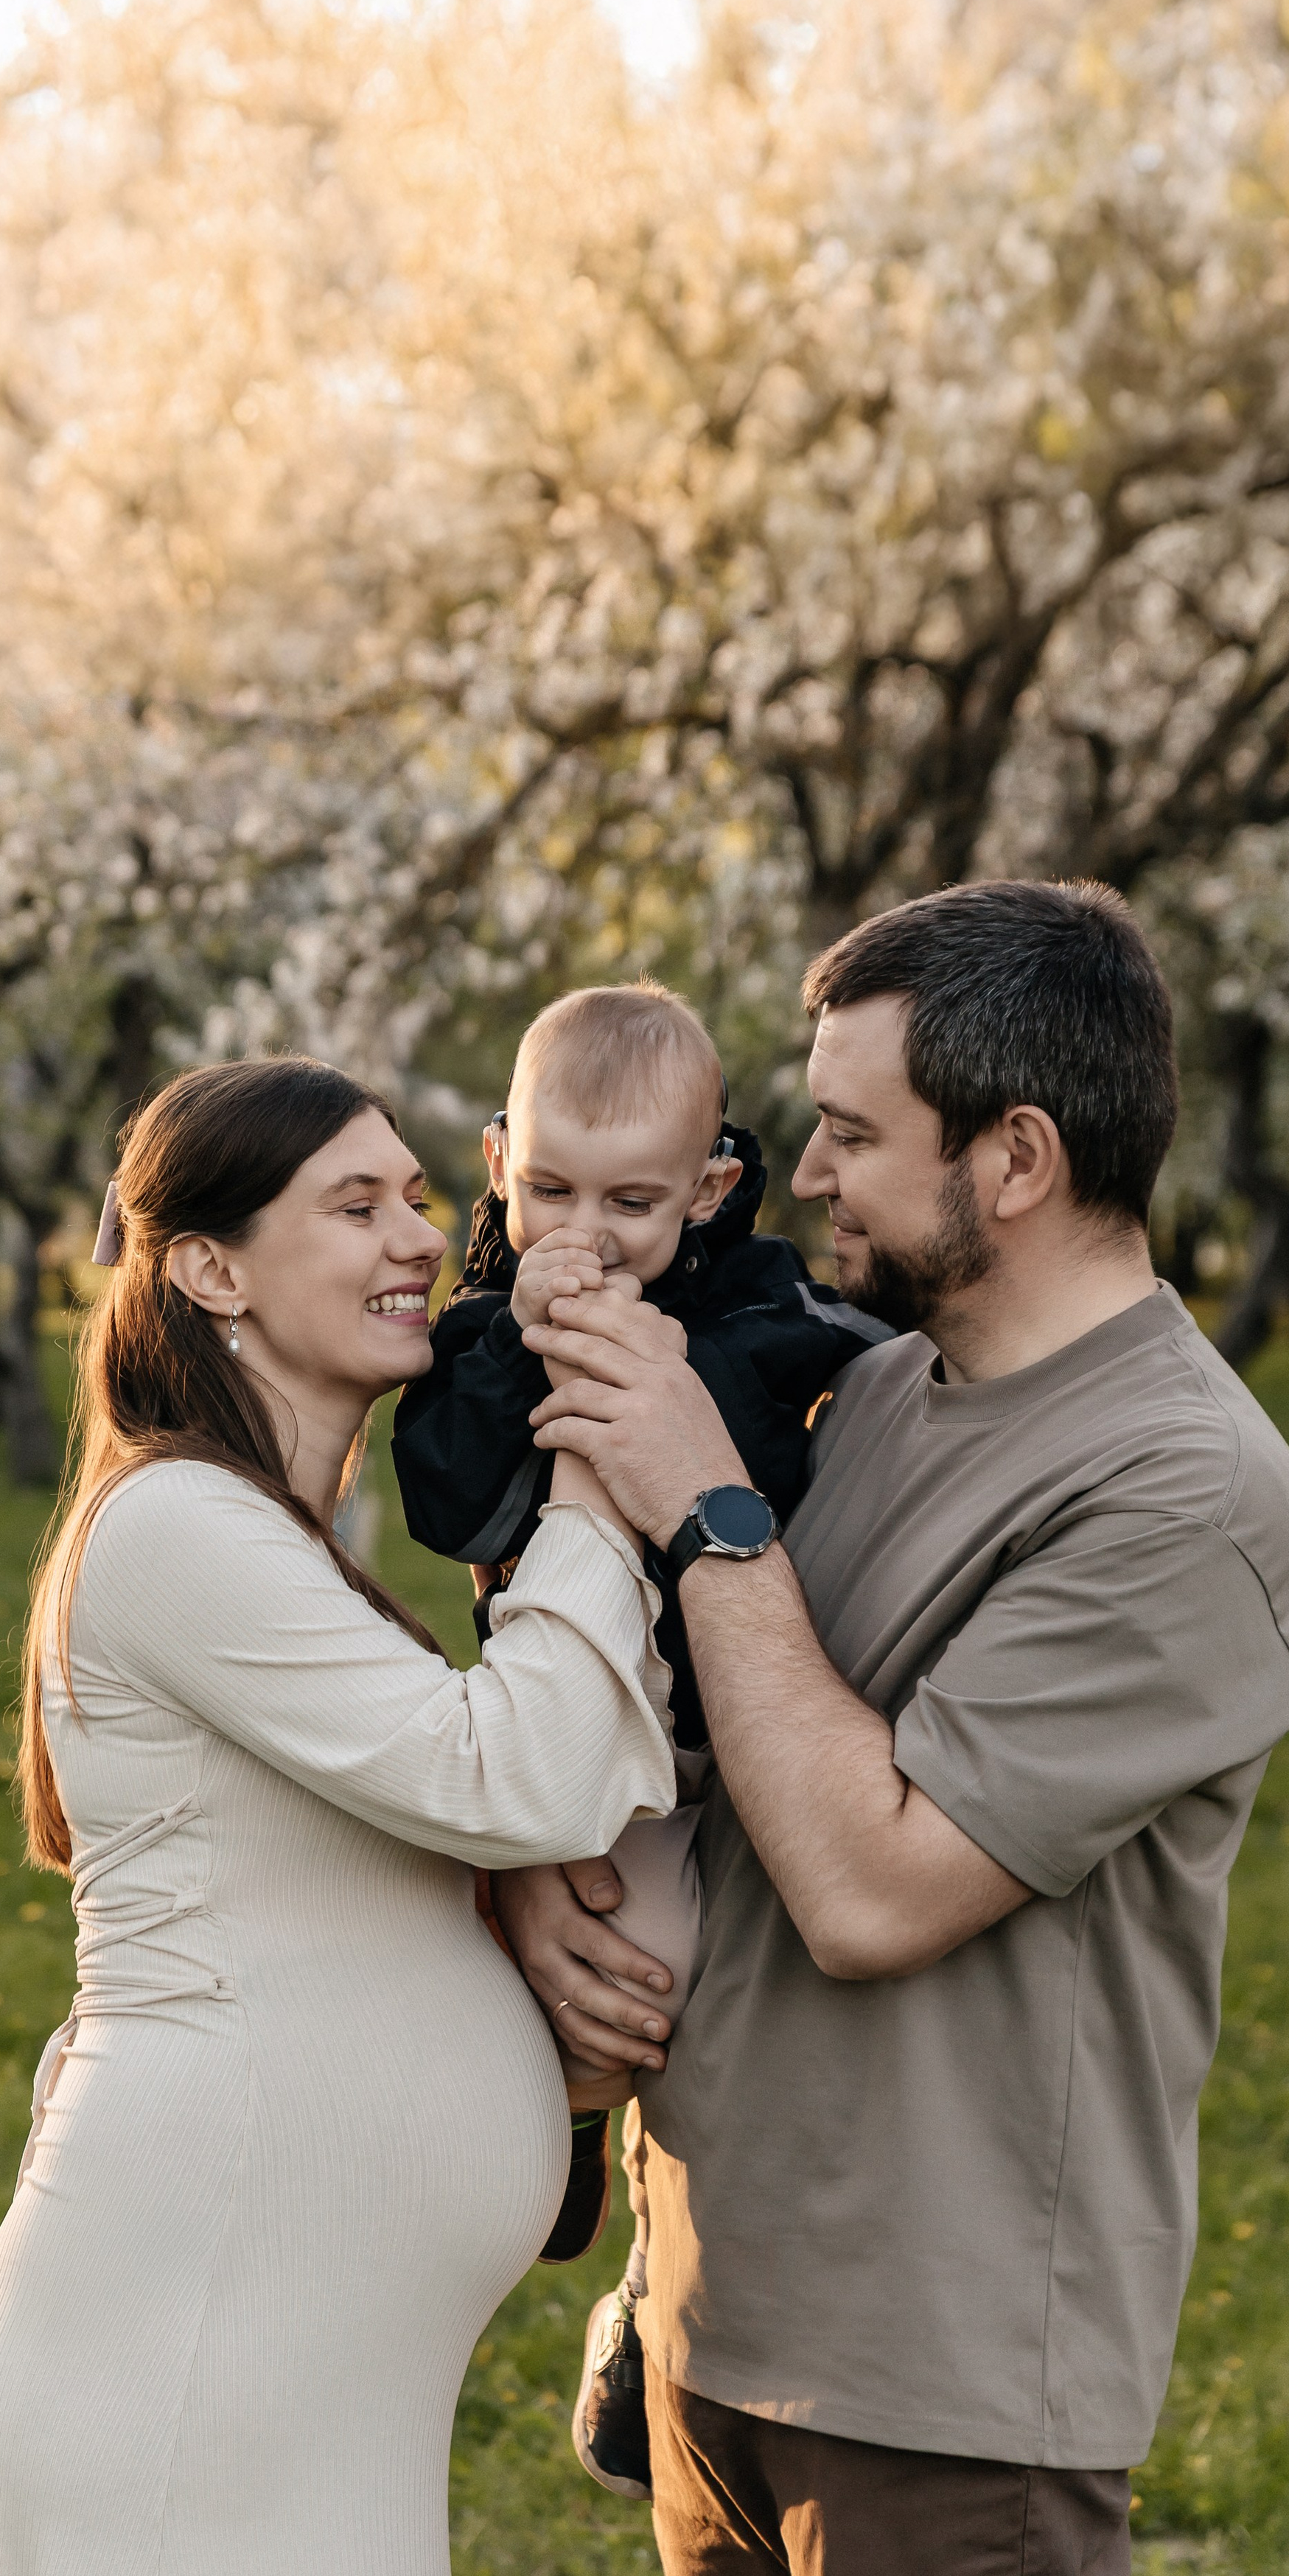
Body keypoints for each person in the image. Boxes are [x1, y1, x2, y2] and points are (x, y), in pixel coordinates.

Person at [496, 881, 1289, 2576]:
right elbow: (714, 1752)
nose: (804, 1174)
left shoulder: (1179, 1492)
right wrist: (536, 1900)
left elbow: (870, 1885)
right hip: (719, 2317)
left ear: (1013, 1157)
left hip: (944, 2407)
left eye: (854, 1133)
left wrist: (706, 1505)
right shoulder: (875, 1393)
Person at [0, 1055, 677, 2576]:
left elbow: (396, 1847)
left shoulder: (288, 1541)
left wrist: (513, 1929)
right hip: (190, 2345)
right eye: (357, 1203)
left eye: (416, 1195)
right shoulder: (177, 1526)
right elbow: (517, 1773)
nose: (421, 1236)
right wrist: (602, 1488)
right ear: (209, 1269)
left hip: (289, 2374)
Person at [391, 980, 883, 2490]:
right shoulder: (483, 1319)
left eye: (630, 1201)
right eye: (546, 1191)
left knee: (645, 1976)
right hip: (550, 1715)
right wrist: (514, 1357)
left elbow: (846, 1388)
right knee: (516, 1975)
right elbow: (448, 1505)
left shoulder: (754, 1305)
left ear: (712, 1187)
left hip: (691, 1741)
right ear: (496, 1165)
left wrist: (669, 1387)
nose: (584, 1234)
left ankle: (630, 2281)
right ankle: (543, 2164)